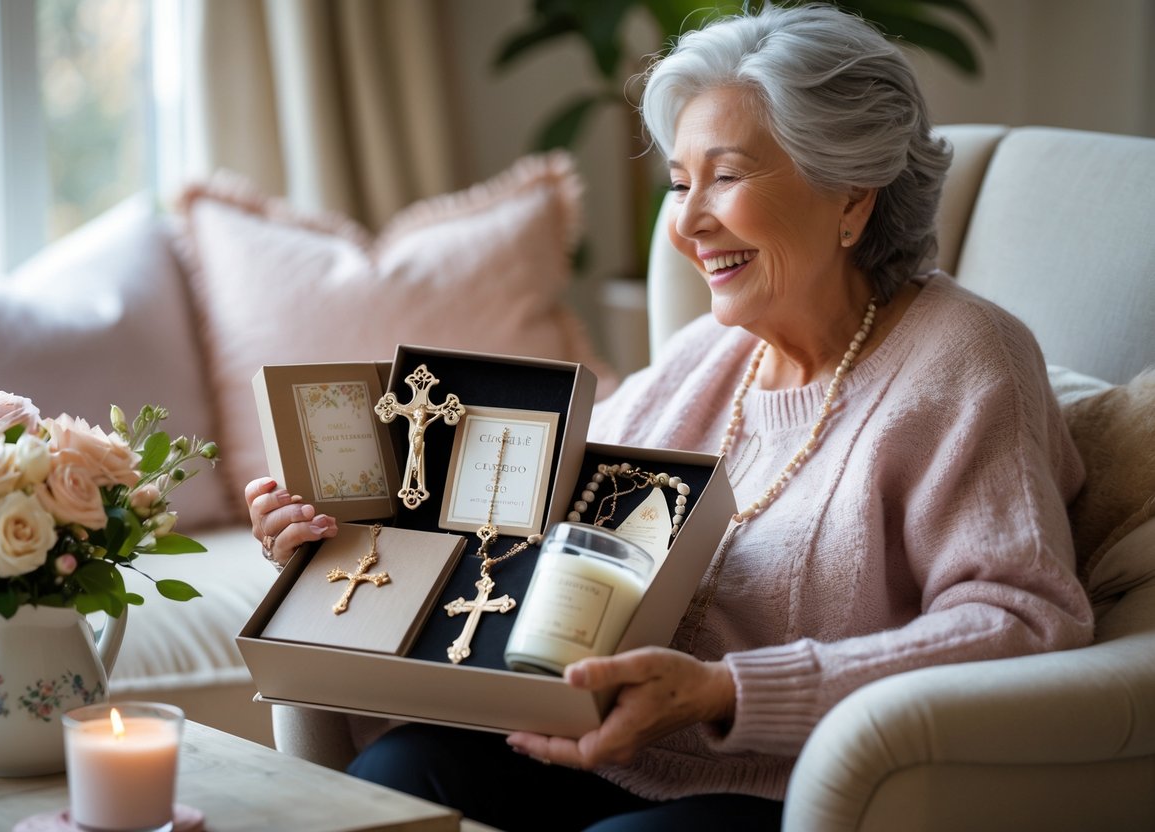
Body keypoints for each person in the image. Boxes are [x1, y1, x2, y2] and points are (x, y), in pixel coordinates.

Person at [245, 4, 1094, 829]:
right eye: (681, 183)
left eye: (724, 177)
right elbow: (514, 529)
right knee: (394, 778)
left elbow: (1021, 622)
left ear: (850, 196)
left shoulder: (967, 359)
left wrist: (730, 692)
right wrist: (342, 545)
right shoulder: (708, 355)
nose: (685, 224)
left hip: (802, 785)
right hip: (605, 751)